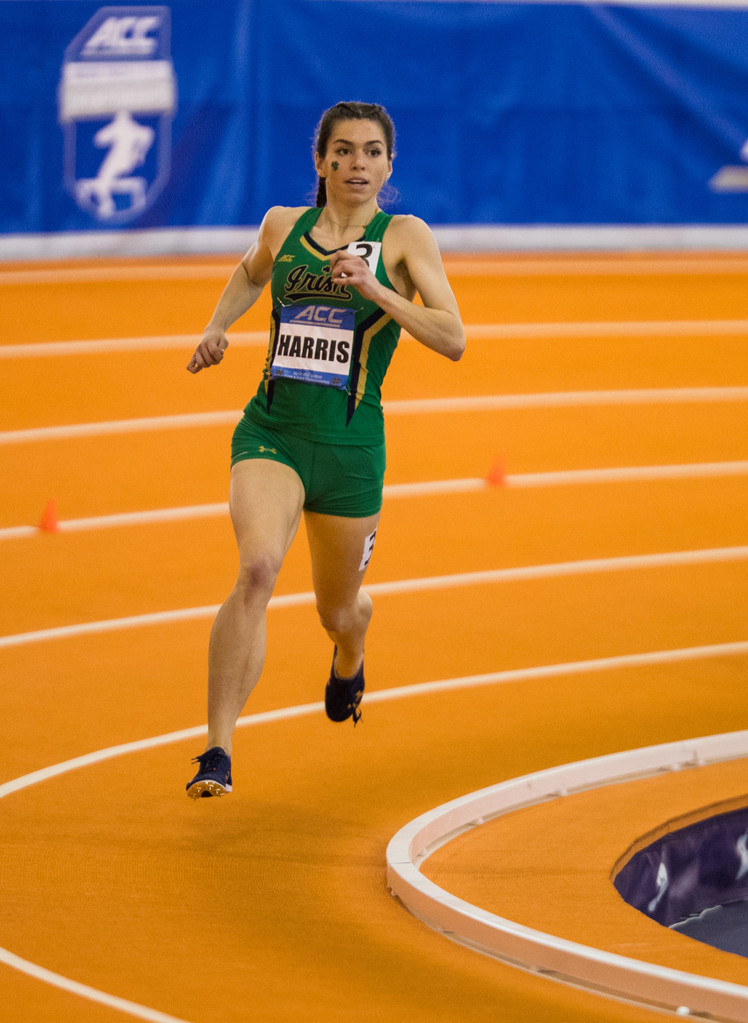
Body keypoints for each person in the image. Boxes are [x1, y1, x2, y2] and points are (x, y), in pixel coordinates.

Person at [185, 100, 465, 798]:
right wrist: (217, 326)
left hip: (349, 451)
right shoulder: (285, 225)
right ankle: (216, 751)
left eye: (371, 152)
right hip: (271, 431)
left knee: (336, 610)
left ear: (389, 166)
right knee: (255, 568)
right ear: (320, 161)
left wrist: (375, 289)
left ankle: (350, 651)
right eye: (342, 151)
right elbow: (253, 272)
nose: (356, 165)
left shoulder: (405, 238)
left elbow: (453, 338)